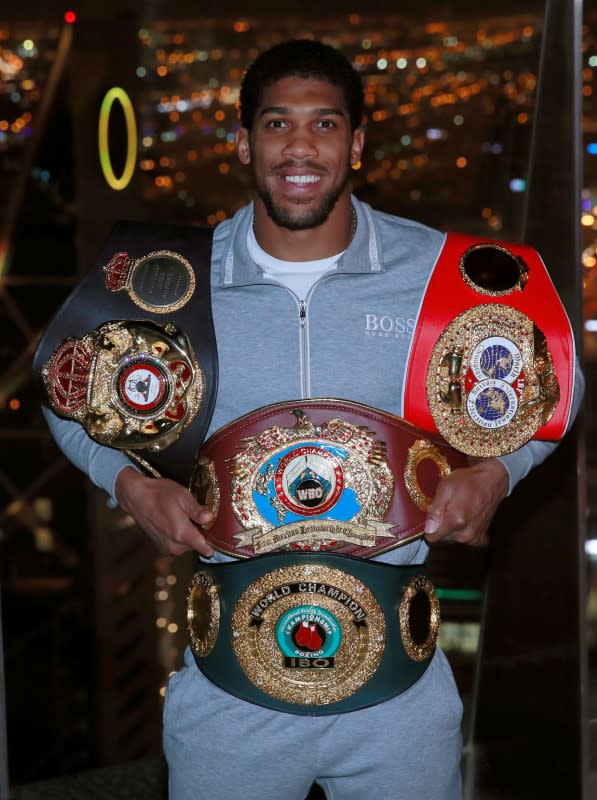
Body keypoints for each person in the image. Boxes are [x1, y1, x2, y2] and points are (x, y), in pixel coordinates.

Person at [41, 39, 583, 799]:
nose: (300, 146)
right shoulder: (172, 281)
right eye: (276, 124)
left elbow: (553, 378)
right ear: (243, 141)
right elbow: (66, 396)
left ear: (355, 143)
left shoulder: (432, 269)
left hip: (401, 703)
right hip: (227, 701)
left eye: (324, 125)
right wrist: (128, 485)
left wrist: (498, 472)